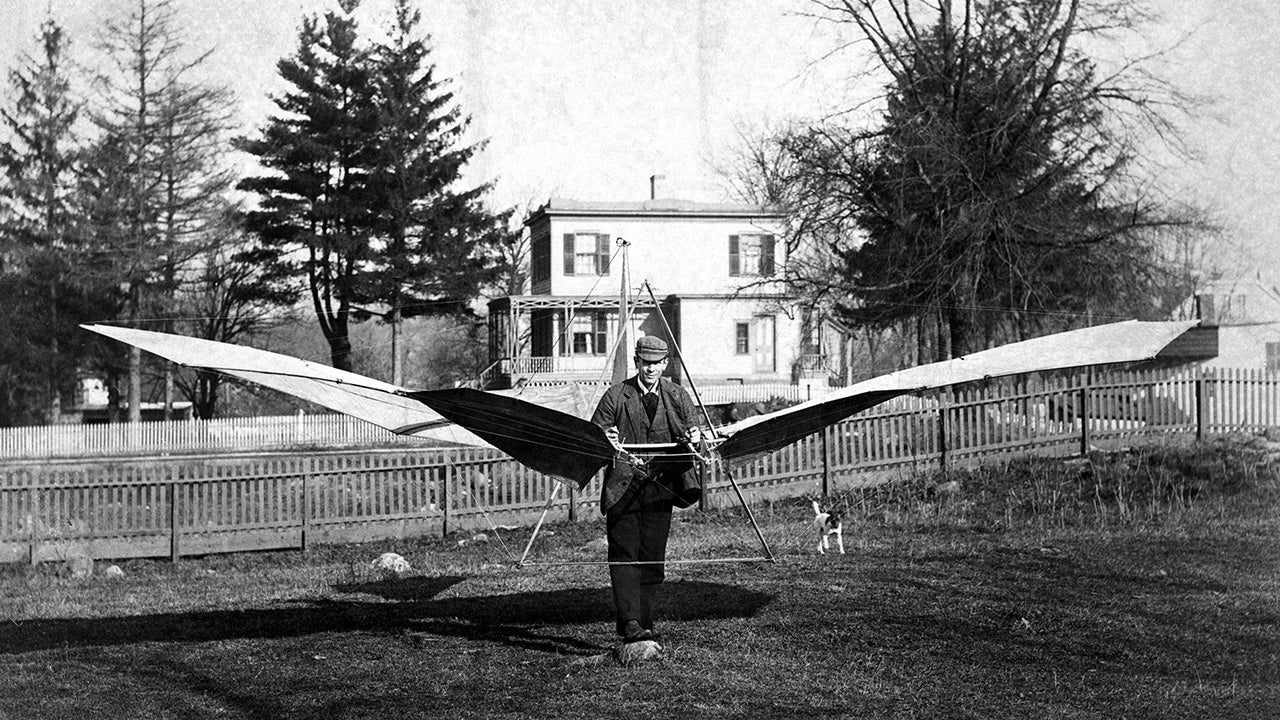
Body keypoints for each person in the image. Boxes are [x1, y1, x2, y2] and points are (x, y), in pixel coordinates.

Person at [591, 335, 704, 644]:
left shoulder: (678, 396)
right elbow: (594, 439)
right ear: (637, 362)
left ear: (665, 364)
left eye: (657, 363)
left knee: (653, 557)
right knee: (625, 553)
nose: (651, 369)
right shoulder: (616, 396)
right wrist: (606, 438)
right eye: (646, 363)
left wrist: (694, 437)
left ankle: (645, 619)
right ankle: (629, 622)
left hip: (661, 487)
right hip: (623, 488)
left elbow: (697, 439)